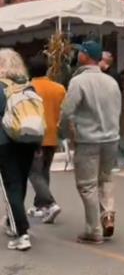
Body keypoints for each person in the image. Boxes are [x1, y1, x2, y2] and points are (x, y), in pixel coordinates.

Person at [60, 40, 122, 244]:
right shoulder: (111, 82)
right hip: (111, 138)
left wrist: (65, 133)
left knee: (87, 185)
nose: (78, 55)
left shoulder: (78, 82)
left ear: (86, 56)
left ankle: (93, 229)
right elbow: (117, 110)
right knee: (106, 179)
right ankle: (108, 214)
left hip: (88, 140)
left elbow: (67, 111)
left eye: (81, 52)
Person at [0, 49, 41, 251]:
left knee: (11, 188)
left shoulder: (0, 88)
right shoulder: (27, 85)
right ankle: (13, 222)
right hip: (27, 141)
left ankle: (21, 233)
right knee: (20, 184)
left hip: (5, 144)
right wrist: (38, 144)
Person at [26, 54, 66, 224]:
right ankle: (40, 205)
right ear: (47, 69)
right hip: (52, 134)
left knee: (34, 173)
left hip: (34, 136)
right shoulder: (59, 88)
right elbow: (64, 112)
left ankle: (50, 203)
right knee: (44, 172)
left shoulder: (28, 89)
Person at [100, 52, 124, 170]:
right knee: (113, 132)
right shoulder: (106, 74)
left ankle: (122, 155)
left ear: (104, 61)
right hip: (110, 106)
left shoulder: (112, 75)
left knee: (112, 133)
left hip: (111, 106)